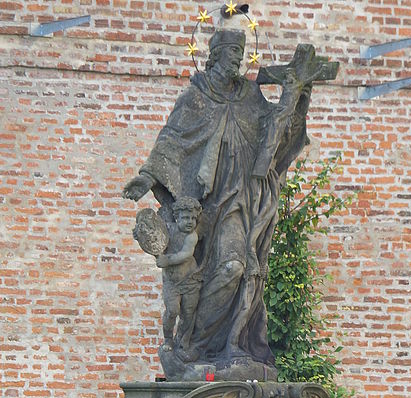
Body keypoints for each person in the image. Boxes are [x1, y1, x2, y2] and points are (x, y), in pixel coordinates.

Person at [123, 28, 312, 377]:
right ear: (214, 56)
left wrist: (298, 97)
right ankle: (194, 343)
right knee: (219, 270)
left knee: (235, 268)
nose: (237, 60)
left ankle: (227, 343)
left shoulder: (249, 96)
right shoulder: (196, 98)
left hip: (243, 200)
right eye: (232, 54)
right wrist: (148, 177)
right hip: (203, 206)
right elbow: (172, 141)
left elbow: (275, 133)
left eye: (241, 54)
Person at [156, 197, 202, 352]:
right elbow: (152, 237)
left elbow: (186, 254)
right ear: (177, 217)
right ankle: (168, 339)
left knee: (188, 313)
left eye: (193, 218)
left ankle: (183, 342)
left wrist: (167, 260)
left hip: (190, 281)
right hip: (172, 283)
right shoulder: (168, 229)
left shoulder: (192, 236)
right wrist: (141, 235)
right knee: (172, 310)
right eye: (186, 218)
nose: (190, 222)